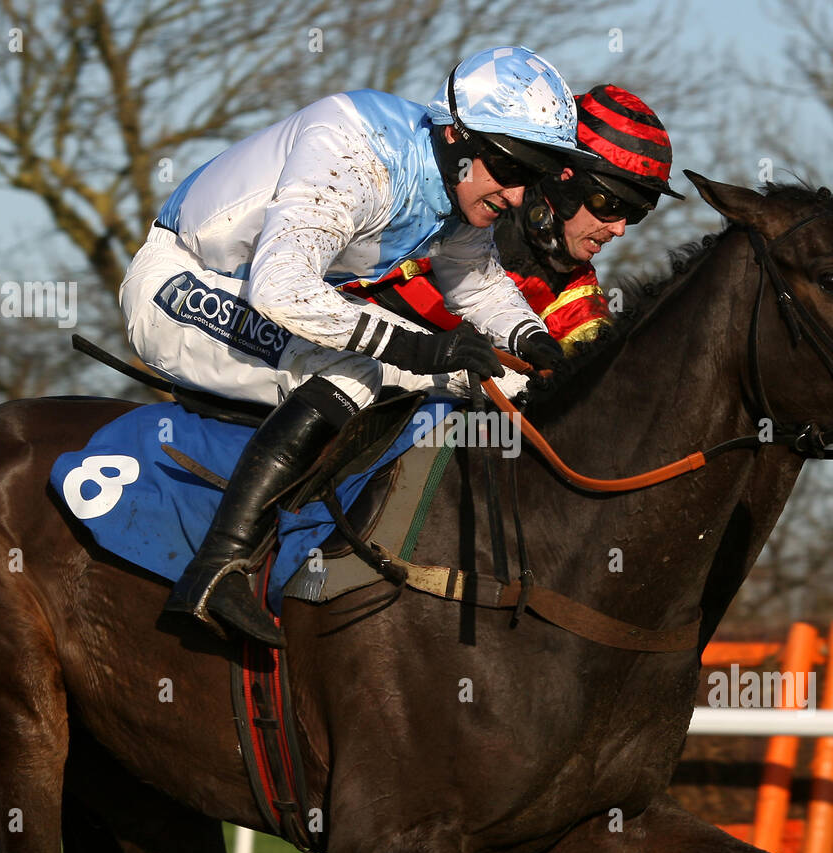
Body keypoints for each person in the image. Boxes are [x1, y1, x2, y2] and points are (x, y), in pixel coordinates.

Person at [119, 46, 579, 645]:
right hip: (177, 284)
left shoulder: (460, 180)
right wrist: (416, 352)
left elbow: (477, 285)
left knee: (496, 379)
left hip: (266, 290)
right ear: (459, 135)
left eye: (533, 176)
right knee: (360, 370)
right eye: (513, 169)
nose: (518, 196)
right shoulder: (356, 154)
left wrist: (539, 344)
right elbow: (282, 290)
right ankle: (217, 569)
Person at [346, 85, 685, 359]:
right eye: (610, 206)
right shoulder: (452, 210)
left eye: (635, 213)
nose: (619, 229)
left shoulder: (576, 294)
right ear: (566, 180)